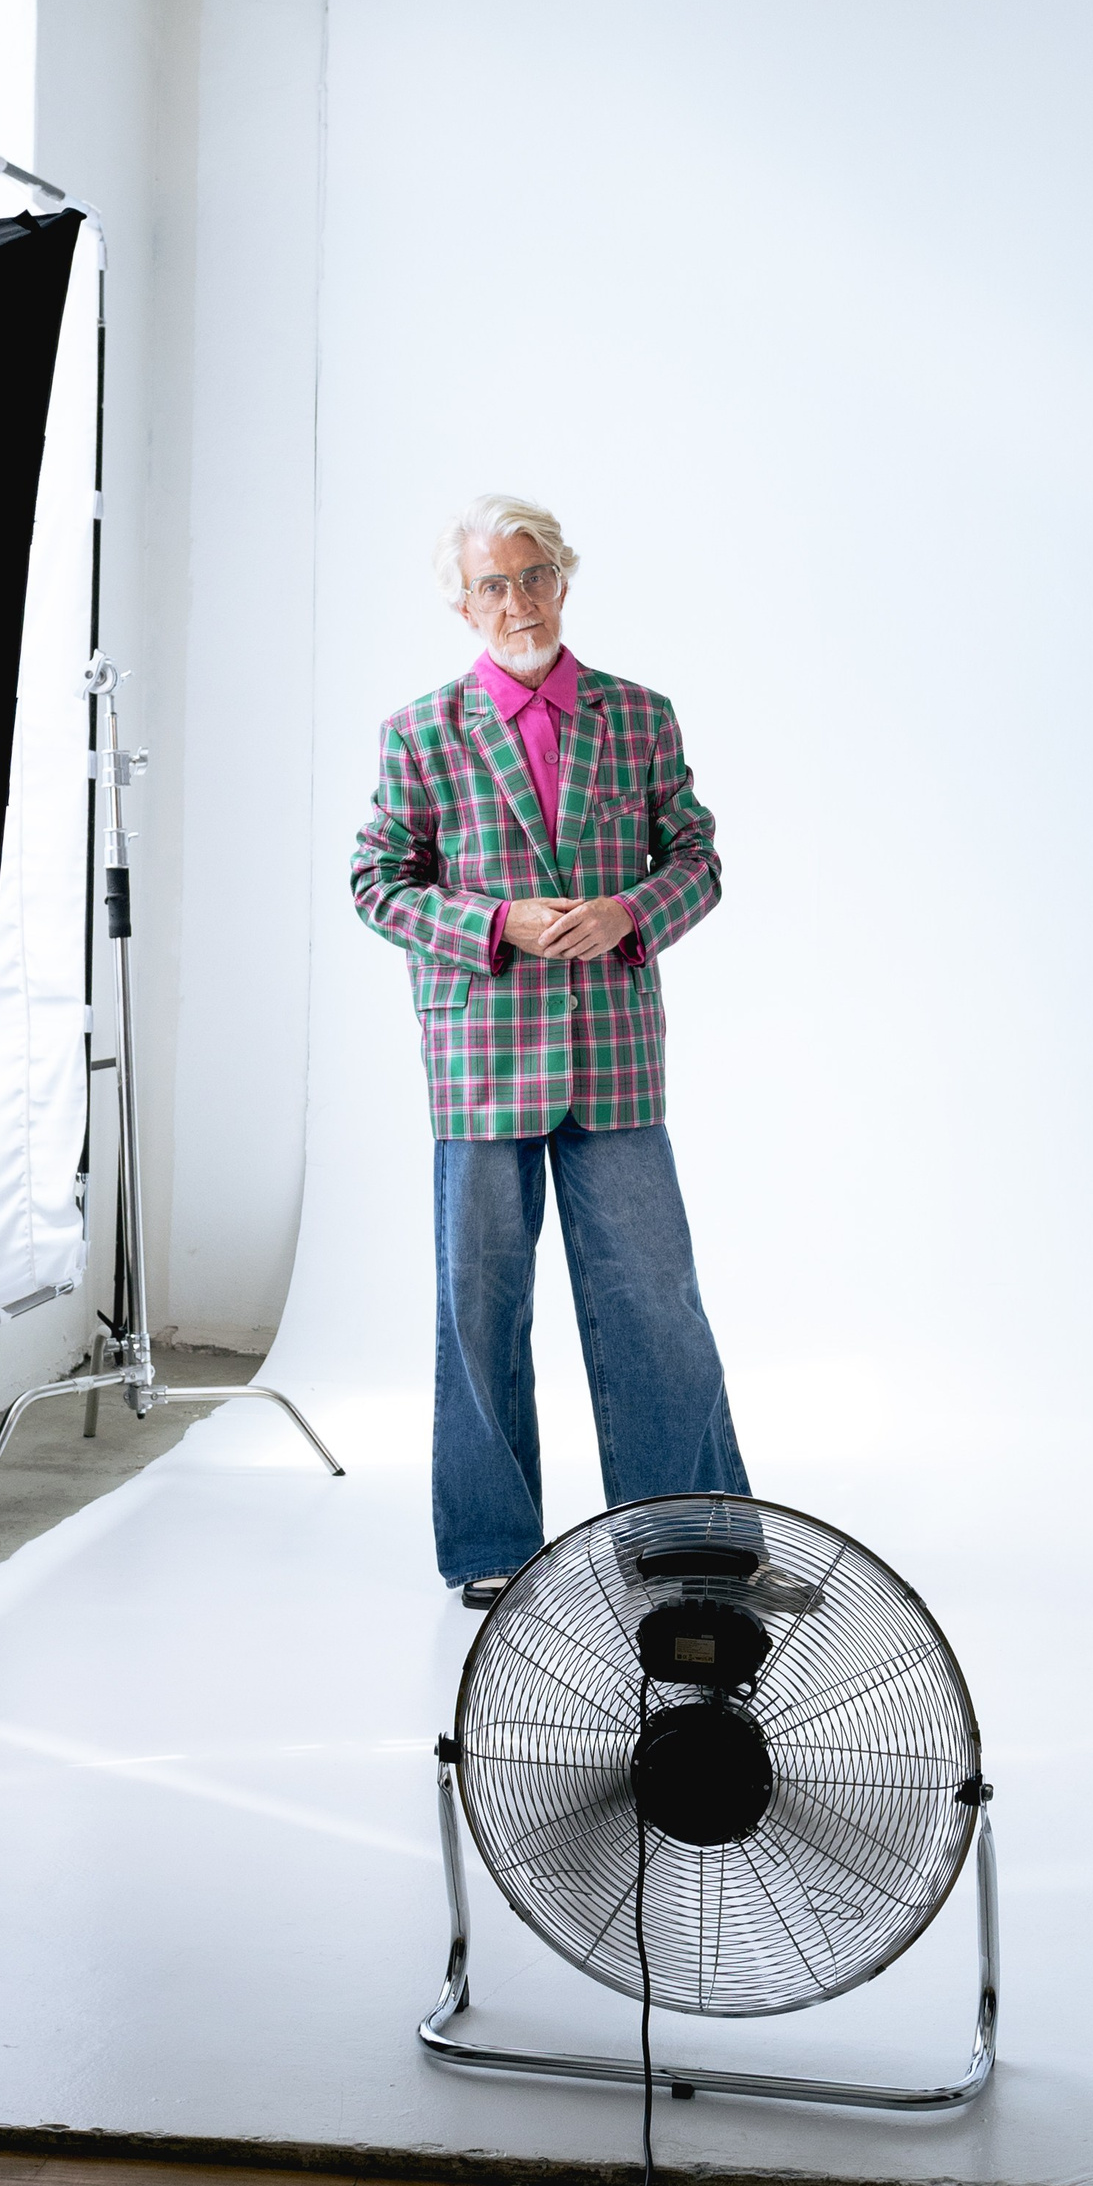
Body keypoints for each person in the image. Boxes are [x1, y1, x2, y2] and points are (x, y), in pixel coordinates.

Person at [351, 491, 750, 1604]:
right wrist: (493, 924)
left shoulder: (641, 717)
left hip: (614, 1056)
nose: (517, 601)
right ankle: (492, 1548)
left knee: (654, 1299)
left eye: (534, 576)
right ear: (463, 604)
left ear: (563, 581)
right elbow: (376, 883)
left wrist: (631, 912)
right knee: (479, 1306)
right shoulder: (421, 732)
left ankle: (688, 1539)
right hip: (479, 1061)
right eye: (493, 584)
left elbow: (699, 860)